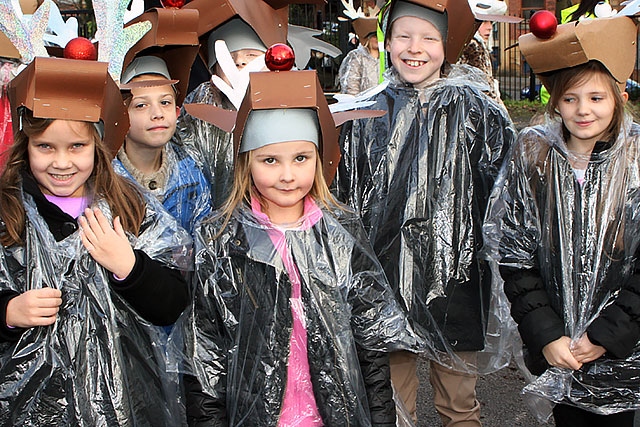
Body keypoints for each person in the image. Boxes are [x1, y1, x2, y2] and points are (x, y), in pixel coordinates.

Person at [175, 65, 425, 425]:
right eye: (270, 160)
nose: (288, 175)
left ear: (319, 158)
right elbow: (204, 354)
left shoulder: (341, 235)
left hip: (333, 413)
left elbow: (369, 345)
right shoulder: (223, 241)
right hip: (257, 415)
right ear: (246, 161)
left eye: (301, 158)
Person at [334, 0, 517, 425]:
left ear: (446, 45)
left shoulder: (479, 112)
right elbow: (342, 200)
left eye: (429, 38)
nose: (415, 48)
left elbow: (505, 196)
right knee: (392, 406)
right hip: (382, 281)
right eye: (403, 36)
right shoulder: (362, 114)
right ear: (387, 40)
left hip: (456, 280)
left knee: (459, 404)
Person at [0, 56, 191, 425]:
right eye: (45, 147)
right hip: (32, 407)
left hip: (128, 401)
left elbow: (173, 303)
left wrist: (129, 267)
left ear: (98, 144)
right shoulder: (8, 213)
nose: (61, 163)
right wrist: (7, 313)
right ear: (26, 145)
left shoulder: (128, 206)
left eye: (76, 147)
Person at [484, 15, 640, 426]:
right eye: (570, 99)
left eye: (595, 98)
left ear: (619, 98)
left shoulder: (636, 161)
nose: (583, 110)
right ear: (555, 102)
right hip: (560, 351)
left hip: (626, 353)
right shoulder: (534, 157)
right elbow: (516, 257)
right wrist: (547, 334)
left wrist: (606, 336)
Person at [114, 8, 212, 236]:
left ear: (178, 111)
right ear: (120, 114)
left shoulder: (193, 175)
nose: (157, 113)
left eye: (165, 102)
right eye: (141, 105)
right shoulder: (108, 180)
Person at [338, 15, 380, 95]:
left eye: (379, 35)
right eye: (375, 35)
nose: (377, 39)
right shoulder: (357, 56)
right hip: (363, 104)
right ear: (368, 38)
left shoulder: (387, 57)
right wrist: (355, 103)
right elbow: (352, 83)